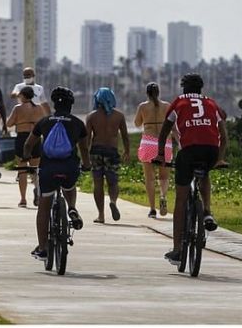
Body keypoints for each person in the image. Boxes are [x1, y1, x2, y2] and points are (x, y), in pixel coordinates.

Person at [157, 73, 228, 264]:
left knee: (180, 200)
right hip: (211, 151)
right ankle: (207, 212)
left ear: (184, 88)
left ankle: (178, 250)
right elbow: (224, 129)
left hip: (189, 151)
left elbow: (165, 131)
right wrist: (220, 158)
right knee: (204, 172)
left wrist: (161, 155)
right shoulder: (211, 103)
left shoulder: (179, 102)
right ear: (201, 88)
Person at [23, 87, 91, 260]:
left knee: (43, 207)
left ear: (54, 104)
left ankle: (43, 248)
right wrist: (87, 165)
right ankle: (72, 208)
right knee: (69, 185)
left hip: (48, 169)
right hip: (69, 168)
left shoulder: (45, 121)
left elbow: (28, 145)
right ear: (71, 105)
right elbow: (84, 149)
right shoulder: (77, 123)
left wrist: (26, 158)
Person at [86, 87, 130, 223]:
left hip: (96, 151)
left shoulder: (91, 116)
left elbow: (87, 139)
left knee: (98, 183)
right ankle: (113, 201)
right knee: (113, 182)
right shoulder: (119, 116)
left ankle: (101, 215)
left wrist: (85, 156)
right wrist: (127, 151)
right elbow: (124, 135)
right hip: (112, 151)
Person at [134, 83, 175, 218]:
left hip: (148, 143)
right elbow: (173, 123)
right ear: (159, 92)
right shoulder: (167, 106)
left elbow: (137, 123)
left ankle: (152, 209)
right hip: (165, 144)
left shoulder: (143, 106)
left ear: (147, 93)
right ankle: (163, 196)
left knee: (150, 179)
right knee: (164, 177)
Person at [6, 86, 47, 207]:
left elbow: (9, 123)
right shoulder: (39, 108)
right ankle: (38, 192)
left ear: (23, 96)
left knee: (22, 170)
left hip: (22, 138)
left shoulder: (18, 108)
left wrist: (20, 121)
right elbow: (44, 122)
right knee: (36, 169)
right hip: (35, 138)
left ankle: (23, 199)